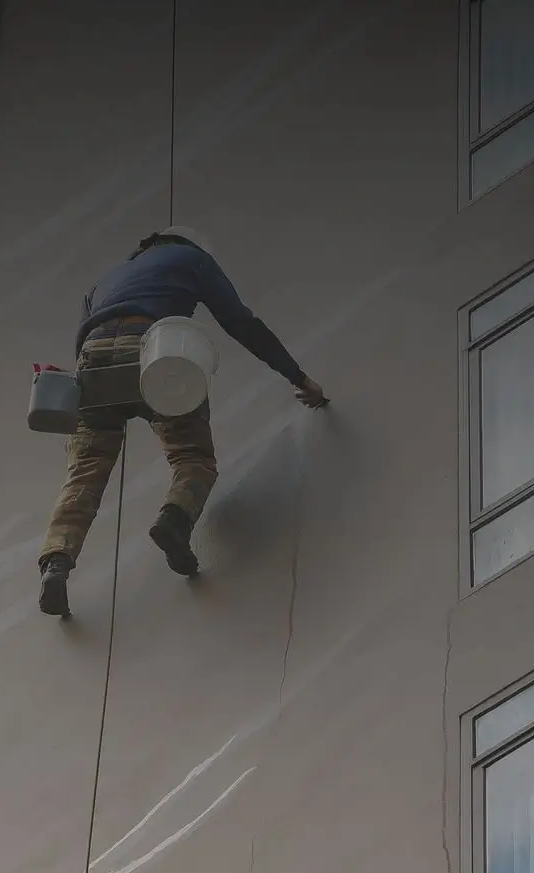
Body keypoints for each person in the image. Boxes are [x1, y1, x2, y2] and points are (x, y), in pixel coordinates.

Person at [38, 228, 329, 616]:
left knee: (84, 474)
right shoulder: (192, 260)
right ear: (185, 245)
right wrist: (298, 377)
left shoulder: (106, 278)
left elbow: (81, 342)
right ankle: (174, 520)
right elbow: (240, 322)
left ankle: (56, 562)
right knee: (192, 458)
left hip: (93, 364)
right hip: (153, 357)